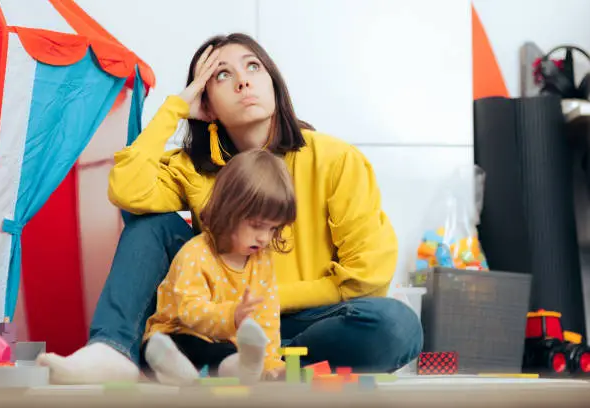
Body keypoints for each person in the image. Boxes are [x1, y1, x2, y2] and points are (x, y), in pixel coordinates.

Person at [37, 33, 423, 384]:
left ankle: (246, 364)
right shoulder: (194, 168)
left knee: (395, 325)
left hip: (309, 320)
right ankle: (114, 349)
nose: (243, 81)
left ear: (273, 82)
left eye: (253, 66)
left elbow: (366, 278)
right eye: (222, 75)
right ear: (207, 104)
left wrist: (265, 303)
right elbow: (127, 190)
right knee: (150, 224)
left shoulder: (335, 158)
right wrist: (175, 108)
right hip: (220, 319)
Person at [141, 149, 293, 386]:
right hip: (180, 334)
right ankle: (176, 369)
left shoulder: (262, 261)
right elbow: (189, 312)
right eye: (257, 226)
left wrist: (270, 362)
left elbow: (267, 317)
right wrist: (232, 315)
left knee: (227, 355)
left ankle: (245, 367)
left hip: (223, 347)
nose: (264, 238)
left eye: (273, 229)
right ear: (229, 212)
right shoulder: (196, 253)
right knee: (160, 346)